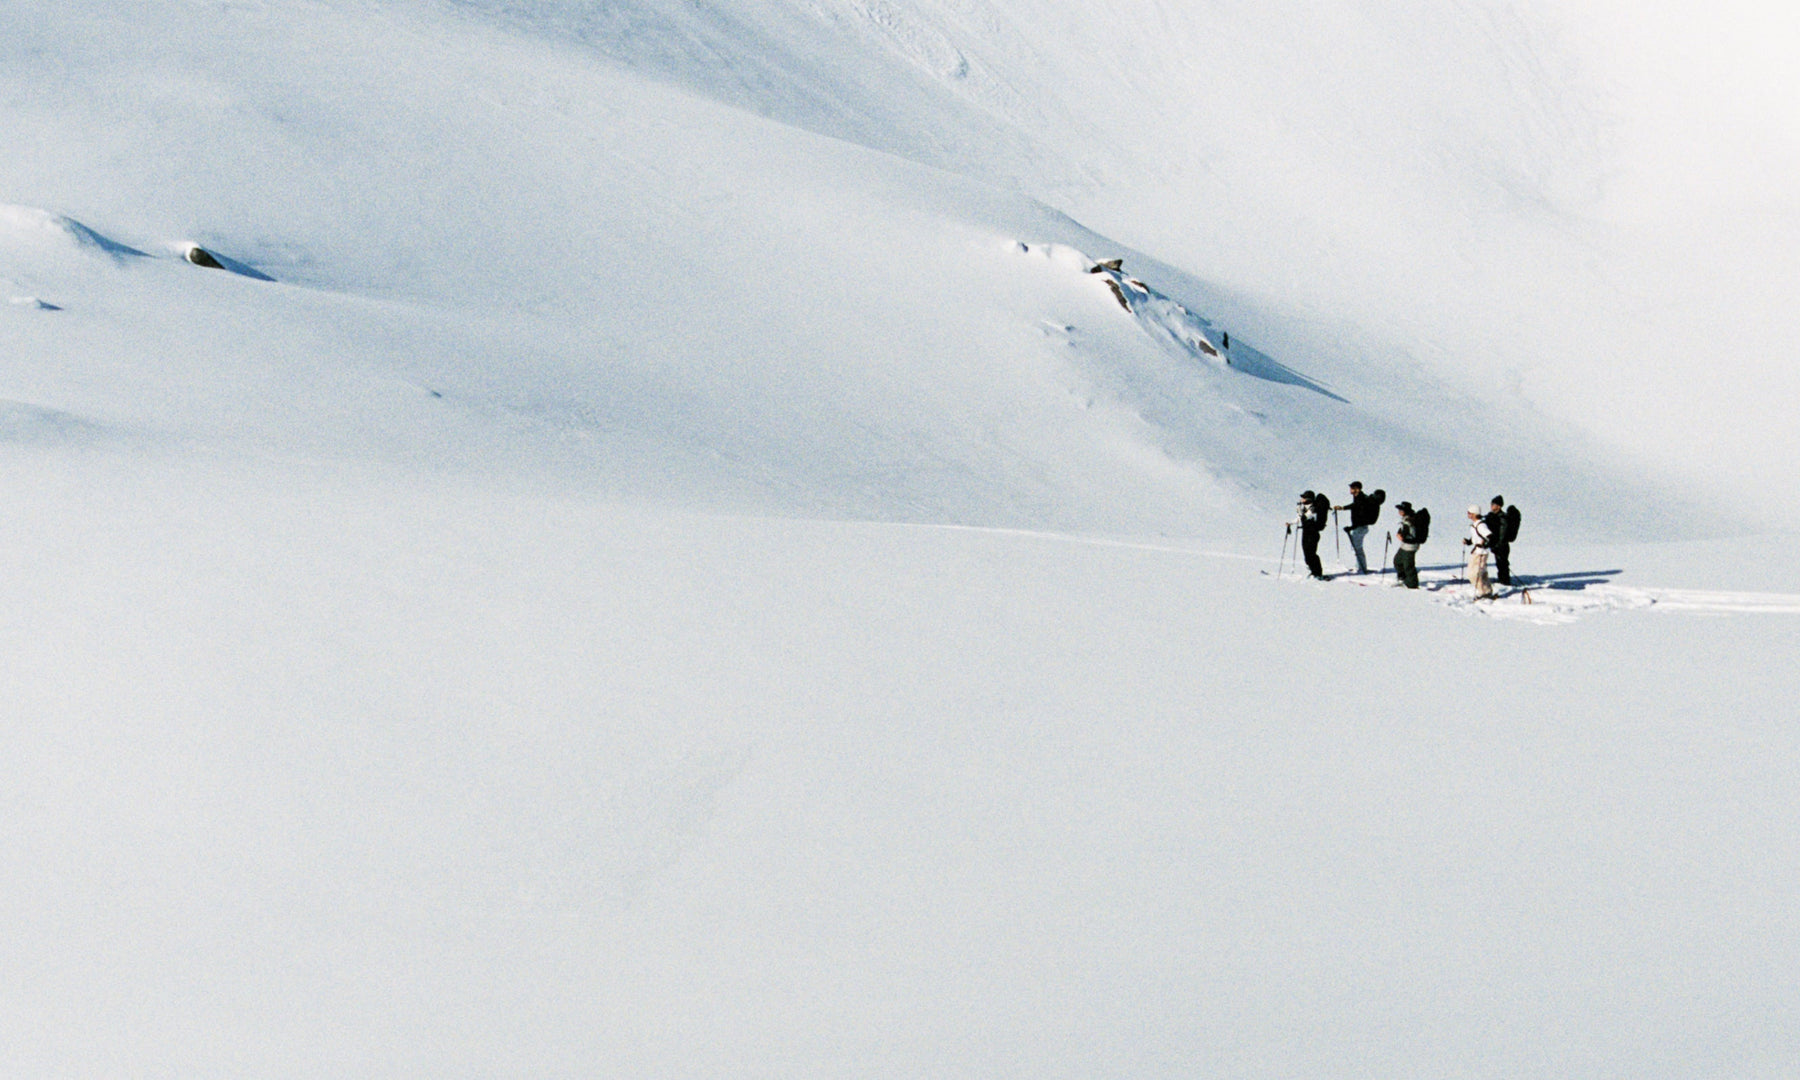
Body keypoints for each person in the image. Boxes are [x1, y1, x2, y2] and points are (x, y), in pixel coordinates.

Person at [1332, 481, 1381, 574]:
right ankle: (1360, 567)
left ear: (1357, 489)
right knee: (1357, 547)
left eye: (1352, 488)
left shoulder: (1361, 499)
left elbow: (1359, 514)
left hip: (1360, 527)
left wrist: (1351, 527)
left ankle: (1362, 568)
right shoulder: (1359, 498)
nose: (1350, 490)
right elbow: (1355, 507)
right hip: (1359, 527)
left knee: (1357, 548)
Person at [1462, 505, 1495, 599]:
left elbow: (1491, 537)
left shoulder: (1481, 525)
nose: (1468, 514)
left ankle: (1484, 592)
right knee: (1481, 573)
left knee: (1474, 574)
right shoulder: (1475, 525)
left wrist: (1485, 545)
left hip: (1481, 553)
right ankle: (1487, 591)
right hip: (1477, 552)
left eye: (1469, 513)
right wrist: (1468, 542)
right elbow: (1476, 538)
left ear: (1474, 514)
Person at [1298, 490, 1329, 579]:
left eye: (1303, 498)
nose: (1302, 499)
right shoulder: (1305, 507)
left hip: (1312, 533)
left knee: (1311, 553)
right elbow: (1300, 517)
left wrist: (1300, 511)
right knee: (1307, 553)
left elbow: (1305, 517)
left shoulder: (1314, 508)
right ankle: (1314, 571)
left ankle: (1317, 573)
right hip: (1306, 532)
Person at [1392, 502, 1422, 588]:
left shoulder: (1409, 520)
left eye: (1401, 510)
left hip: (1410, 546)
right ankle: (1403, 579)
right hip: (1405, 545)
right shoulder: (1408, 518)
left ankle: (1412, 585)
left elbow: (1406, 534)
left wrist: (1400, 536)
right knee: (1397, 561)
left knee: (1408, 566)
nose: (1399, 511)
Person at [1483, 496, 1512, 586]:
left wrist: (1498, 545)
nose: (1491, 506)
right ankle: (1502, 580)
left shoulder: (1503, 517)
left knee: (1502, 564)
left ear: (1499, 506)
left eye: (1493, 504)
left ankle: (1505, 582)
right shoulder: (1492, 516)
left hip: (1502, 545)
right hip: (1496, 544)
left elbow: (1502, 534)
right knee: (1500, 563)